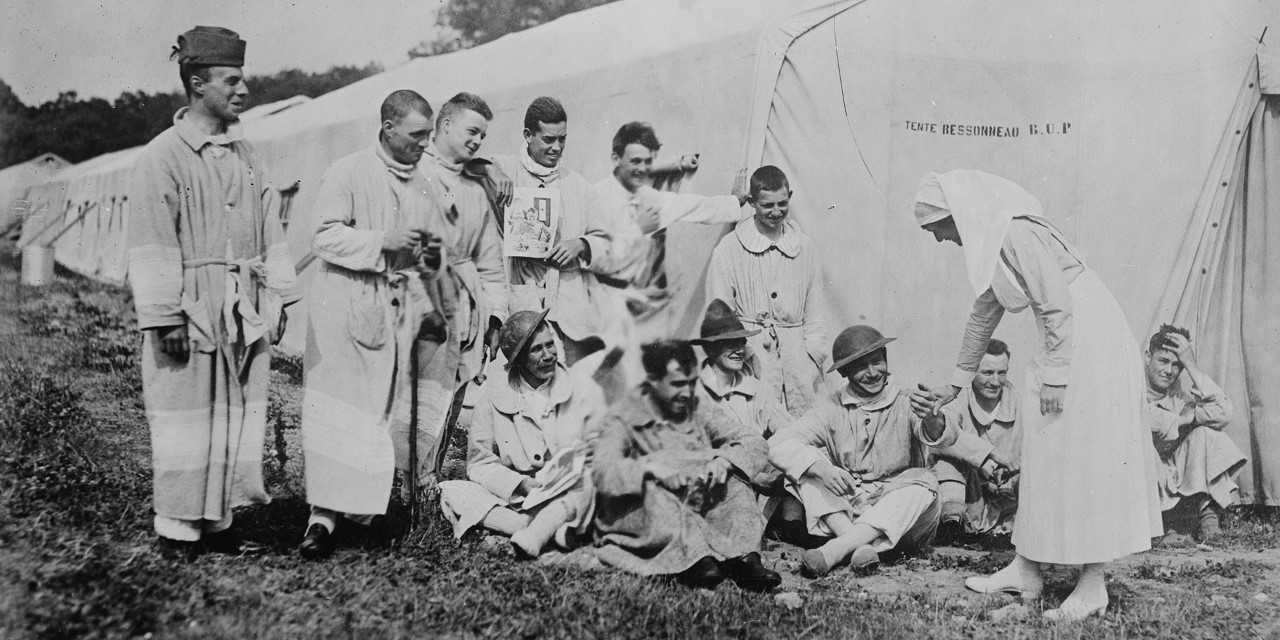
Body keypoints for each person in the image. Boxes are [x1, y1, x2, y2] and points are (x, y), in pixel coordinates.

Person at [913, 170, 1160, 621]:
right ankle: (1027, 569)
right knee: (1048, 451)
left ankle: (1092, 586)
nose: (939, 239)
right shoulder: (994, 239)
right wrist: (955, 383)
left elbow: (1057, 304)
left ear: (958, 215)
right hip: (1065, 340)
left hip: (1087, 340)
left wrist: (1057, 375)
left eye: (938, 229)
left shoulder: (1016, 232)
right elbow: (983, 314)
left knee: (1084, 456)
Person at [127, 26, 298, 555]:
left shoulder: (246, 155)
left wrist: (279, 297)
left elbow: (271, 226)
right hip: (191, 304)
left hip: (240, 303)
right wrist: (164, 318)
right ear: (198, 84)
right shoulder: (163, 156)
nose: (243, 90)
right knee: (184, 413)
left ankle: (218, 520)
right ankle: (177, 525)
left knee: (232, 412)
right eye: (232, 80)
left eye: (243, 79)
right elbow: (152, 240)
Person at [297, 90, 455, 559]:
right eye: (416, 135)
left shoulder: (424, 183)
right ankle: (322, 519)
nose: (425, 145)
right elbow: (323, 236)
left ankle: (364, 517)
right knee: (337, 410)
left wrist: (430, 292)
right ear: (387, 128)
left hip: (393, 309)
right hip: (343, 304)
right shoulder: (347, 171)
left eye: (429, 135)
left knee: (378, 414)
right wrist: (382, 240)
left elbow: (431, 248)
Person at [591, 340, 782, 592]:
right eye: (678, 384)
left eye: (692, 382)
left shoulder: (698, 408)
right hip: (645, 510)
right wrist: (648, 468)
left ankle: (745, 559)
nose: (687, 392)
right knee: (656, 496)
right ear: (653, 381)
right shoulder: (623, 416)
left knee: (736, 484)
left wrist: (725, 461)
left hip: (695, 500)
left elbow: (751, 441)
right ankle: (693, 560)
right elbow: (603, 470)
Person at [769, 325, 958, 577]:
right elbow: (778, 444)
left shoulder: (905, 399)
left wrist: (933, 418)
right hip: (849, 506)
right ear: (845, 372)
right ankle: (861, 547)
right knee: (804, 471)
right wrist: (823, 470)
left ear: (886, 360)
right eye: (860, 366)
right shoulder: (832, 406)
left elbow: (941, 436)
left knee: (924, 485)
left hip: (901, 518)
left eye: (877, 362)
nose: (872, 373)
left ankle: (837, 549)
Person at [437, 310, 606, 557]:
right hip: (519, 498)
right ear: (518, 359)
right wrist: (521, 484)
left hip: (570, 489)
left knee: (593, 483)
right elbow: (480, 463)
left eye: (550, 345)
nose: (548, 355)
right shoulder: (494, 395)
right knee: (452, 490)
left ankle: (537, 531)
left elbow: (598, 436)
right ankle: (539, 529)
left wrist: (589, 451)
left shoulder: (577, 386)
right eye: (537, 350)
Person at [485, 97, 623, 365]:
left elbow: (610, 248)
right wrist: (491, 172)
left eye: (562, 139)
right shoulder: (504, 170)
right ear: (528, 135)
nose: (556, 147)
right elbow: (467, 166)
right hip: (520, 311)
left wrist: (583, 245)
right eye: (548, 139)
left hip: (569, 317)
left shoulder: (579, 186)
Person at [591, 122, 750, 346]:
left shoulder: (648, 197)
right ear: (616, 159)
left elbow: (692, 206)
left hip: (642, 312)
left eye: (648, 162)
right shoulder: (594, 197)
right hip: (602, 312)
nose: (642, 169)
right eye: (635, 161)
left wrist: (734, 201)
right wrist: (639, 230)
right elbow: (597, 257)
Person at [705, 165, 827, 416]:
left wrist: (811, 359)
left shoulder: (805, 247)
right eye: (767, 205)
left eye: (782, 204)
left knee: (802, 431)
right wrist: (745, 360)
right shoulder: (729, 249)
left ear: (790, 197)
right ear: (751, 202)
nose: (776, 212)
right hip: (751, 358)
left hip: (799, 364)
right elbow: (719, 318)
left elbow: (816, 315)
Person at [1143, 324, 1245, 544]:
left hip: (1169, 473)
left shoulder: (1177, 395)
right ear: (1148, 356)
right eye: (1163, 361)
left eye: (1177, 365)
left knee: (1207, 435)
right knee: (1141, 445)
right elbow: (1150, 424)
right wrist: (1182, 419)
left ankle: (1207, 518)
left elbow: (1224, 413)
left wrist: (1190, 363)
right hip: (1139, 476)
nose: (1169, 371)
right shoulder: (1130, 385)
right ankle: (1161, 529)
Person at [929, 338, 1020, 545]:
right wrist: (986, 456)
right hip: (969, 494)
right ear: (971, 373)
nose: (995, 381)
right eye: (987, 373)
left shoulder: (1020, 403)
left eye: (1002, 373)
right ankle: (951, 531)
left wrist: (1011, 469)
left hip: (1007, 497)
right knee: (946, 463)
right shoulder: (956, 400)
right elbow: (941, 437)